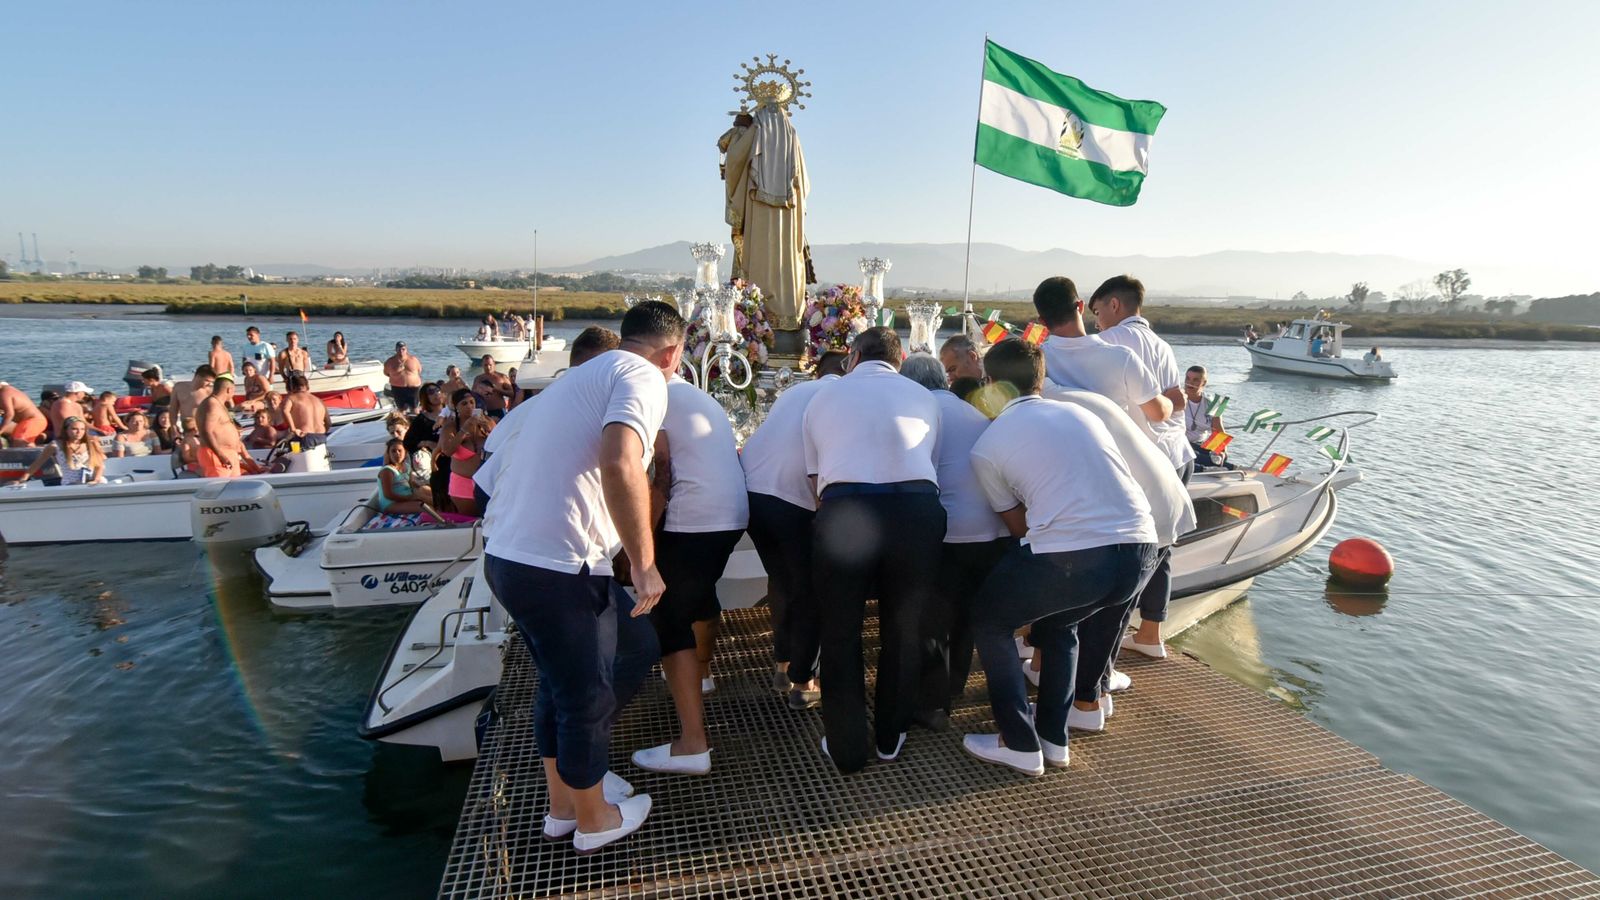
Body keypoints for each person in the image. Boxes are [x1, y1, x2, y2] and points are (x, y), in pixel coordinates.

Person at [479, 300, 686, 852]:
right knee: (586, 696)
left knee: (593, 664)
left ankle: (565, 804)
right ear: (673, 352)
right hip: (557, 566)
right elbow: (621, 462)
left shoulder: (582, 377)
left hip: (508, 558)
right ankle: (595, 820)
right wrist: (644, 566)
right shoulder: (644, 375)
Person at [960, 339, 1158, 776]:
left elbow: (1021, 530)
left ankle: (1017, 741)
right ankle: (1053, 738)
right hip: (1142, 551)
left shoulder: (988, 445)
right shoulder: (1082, 414)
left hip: (1076, 555)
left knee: (990, 621)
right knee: (1061, 620)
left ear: (990, 385)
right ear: (1040, 379)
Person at [803, 327, 945, 773]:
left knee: (840, 629)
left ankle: (846, 747)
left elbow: (815, 483)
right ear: (899, 357)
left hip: (847, 510)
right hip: (917, 511)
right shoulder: (925, 397)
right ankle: (890, 734)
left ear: (853, 356)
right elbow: (927, 467)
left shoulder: (822, 397)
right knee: (903, 626)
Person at [1029, 385, 1196, 728]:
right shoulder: (1083, 398)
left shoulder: (1048, 414)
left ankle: (1085, 703)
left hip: (1142, 514)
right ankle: (1098, 693)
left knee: (1097, 612)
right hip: (1166, 501)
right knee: (1117, 611)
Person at [629, 370, 750, 777]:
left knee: (669, 618)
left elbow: (659, 470)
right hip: (731, 515)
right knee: (698, 592)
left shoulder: (651, 394)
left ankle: (692, 744)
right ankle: (704, 675)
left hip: (693, 518)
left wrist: (640, 545)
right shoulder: (696, 395)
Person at [898, 354, 1013, 729]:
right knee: (966, 617)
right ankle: (954, 687)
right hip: (994, 530)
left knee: (931, 620)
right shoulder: (970, 412)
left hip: (950, 532)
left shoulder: (920, 415)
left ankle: (931, 704)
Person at [1088, 275, 1194, 659]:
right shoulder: (1162, 345)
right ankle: (1151, 634)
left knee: (1130, 552)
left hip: (1147, 461)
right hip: (1179, 455)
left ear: (1114, 305)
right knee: (1162, 550)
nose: (1096, 322)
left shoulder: (1112, 342)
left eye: (1098, 312)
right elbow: (1176, 400)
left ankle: (1101, 660)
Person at [740, 350, 847, 705]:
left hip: (753, 492)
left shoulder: (795, 393)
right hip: (791, 497)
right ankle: (804, 682)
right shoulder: (840, 397)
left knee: (781, 581)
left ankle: (782, 667)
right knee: (809, 591)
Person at [1034, 277, 1171, 434]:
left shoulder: (1035, 363)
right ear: (1080, 306)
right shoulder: (1122, 358)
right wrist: (1172, 402)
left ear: (1042, 321)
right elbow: (1158, 413)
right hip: (1112, 452)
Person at [437, 389, 491, 516]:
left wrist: (489, 430)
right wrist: (464, 430)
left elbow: (500, 446)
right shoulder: (450, 427)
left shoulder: (487, 422)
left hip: (486, 481)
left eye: (472, 402)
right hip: (463, 483)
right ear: (456, 407)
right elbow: (447, 451)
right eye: (464, 403)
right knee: (472, 521)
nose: (469, 406)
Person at [194, 375, 259, 478]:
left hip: (230, 453)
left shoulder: (220, 404)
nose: (234, 394)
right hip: (217, 454)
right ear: (229, 389)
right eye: (234, 391)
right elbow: (206, 431)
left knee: (234, 490)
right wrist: (220, 455)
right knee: (220, 489)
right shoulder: (212, 404)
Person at [18, 416, 106, 485]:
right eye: (74, 429)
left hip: (93, 481)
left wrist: (96, 479)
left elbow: (100, 465)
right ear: (66, 430)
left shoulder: (91, 443)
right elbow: (37, 464)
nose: (79, 432)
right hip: (70, 483)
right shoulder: (55, 445)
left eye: (82, 429)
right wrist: (22, 479)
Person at [377, 438, 438, 516]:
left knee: (426, 490)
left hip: (406, 497)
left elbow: (411, 484)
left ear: (405, 452)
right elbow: (388, 495)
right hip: (391, 503)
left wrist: (422, 490)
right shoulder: (387, 471)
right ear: (388, 454)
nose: (397, 453)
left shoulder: (406, 466)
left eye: (400, 450)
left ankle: (445, 506)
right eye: (393, 451)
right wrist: (411, 498)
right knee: (425, 507)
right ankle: (444, 515)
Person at [1183, 365, 1227, 468]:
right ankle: (1210, 468)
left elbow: (1219, 431)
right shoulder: (1177, 399)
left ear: (1204, 383)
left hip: (1202, 444)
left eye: (1196, 380)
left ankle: (1218, 466)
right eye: (1187, 378)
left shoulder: (1214, 403)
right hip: (1182, 443)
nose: (1190, 383)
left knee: (1220, 457)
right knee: (1192, 454)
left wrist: (1223, 452)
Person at [281, 374, 331, 448]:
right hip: (321, 437)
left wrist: (293, 428)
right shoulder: (319, 400)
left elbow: (285, 410)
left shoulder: (291, 398)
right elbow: (328, 423)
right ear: (307, 386)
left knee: (296, 456)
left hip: (303, 437)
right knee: (319, 458)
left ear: (292, 387)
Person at [0, 381, 49, 447]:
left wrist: (0, 431)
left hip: (33, 420)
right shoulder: (7, 391)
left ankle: (38, 455)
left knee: (19, 441)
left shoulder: (4, 393)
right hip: (25, 422)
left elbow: (9, 414)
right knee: (13, 441)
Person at [384, 341, 423, 413]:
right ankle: (403, 423)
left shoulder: (413, 359)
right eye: (399, 349)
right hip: (398, 389)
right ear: (395, 350)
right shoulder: (390, 362)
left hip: (413, 389)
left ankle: (415, 423)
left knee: (415, 409)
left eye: (403, 349)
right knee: (401, 410)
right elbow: (386, 373)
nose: (401, 351)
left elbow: (419, 370)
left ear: (406, 349)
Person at [473, 355, 513, 420]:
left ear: (494, 364)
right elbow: (473, 395)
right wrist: (479, 391)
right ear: (482, 365)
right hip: (484, 412)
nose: (488, 367)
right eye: (486, 365)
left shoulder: (502, 377)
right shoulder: (478, 379)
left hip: (499, 410)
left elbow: (511, 393)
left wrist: (497, 390)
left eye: (490, 365)